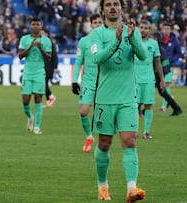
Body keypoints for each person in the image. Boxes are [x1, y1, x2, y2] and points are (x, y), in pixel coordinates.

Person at [89, 0, 146, 201]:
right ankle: (102, 186)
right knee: (104, 143)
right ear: (103, 9)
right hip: (105, 99)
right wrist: (117, 39)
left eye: (116, 4)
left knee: (129, 141)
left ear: (122, 8)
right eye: (108, 4)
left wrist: (133, 39)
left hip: (128, 98)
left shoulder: (133, 31)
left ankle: (132, 188)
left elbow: (143, 56)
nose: (112, 7)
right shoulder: (97, 34)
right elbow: (98, 58)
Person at [72, 13, 103, 152]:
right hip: (88, 81)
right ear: (91, 25)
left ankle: (102, 142)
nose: (97, 25)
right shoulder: (84, 41)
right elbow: (78, 61)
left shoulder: (107, 40)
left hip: (104, 81)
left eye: (100, 22)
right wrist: (74, 81)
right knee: (84, 111)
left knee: (101, 114)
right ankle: (89, 136)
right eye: (95, 22)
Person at [18, 18, 51, 135]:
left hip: (39, 73)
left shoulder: (46, 41)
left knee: (38, 98)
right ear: (30, 26)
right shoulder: (24, 39)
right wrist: (31, 46)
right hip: (27, 73)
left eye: (38, 24)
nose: (35, 26)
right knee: (25, 101)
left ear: (41, 26)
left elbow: (48, 58)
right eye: (33, 24)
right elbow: (20, 56)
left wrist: (41, 48)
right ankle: (30, 117)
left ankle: (37, 126)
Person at [135, 20, 166, 139]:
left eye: (146, 28)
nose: (143, 30)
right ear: (138, 29)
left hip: (149, 79)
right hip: (135, 79)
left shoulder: (153, 43)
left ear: (149, 30)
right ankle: (134, 131)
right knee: (135, 106)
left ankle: (146, 132)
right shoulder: (134, 42)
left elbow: (158, 62)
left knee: (148, 105)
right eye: (141, 27)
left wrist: (162, 79)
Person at [151, 31, 183, 116]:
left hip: (158, 74)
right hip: (159, 73)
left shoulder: (158, 48)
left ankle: (141, 110)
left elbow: (159, 63)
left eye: (152, 38)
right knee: (161, 92)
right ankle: (176, 108)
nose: (150, 39)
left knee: (148, 90)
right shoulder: (160, 47)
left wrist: (161, 75)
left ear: (156, 39)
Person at [160, 21, 182, 116]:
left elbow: (178, 52)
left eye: (168, 29)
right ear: (162, 29)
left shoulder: (174, 40)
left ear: (170, 30)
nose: (166, 30)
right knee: (160, 84)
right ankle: (169, 100)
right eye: (165, 28)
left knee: (167, 84)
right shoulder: (159, 39)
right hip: (159, 65)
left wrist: (172, 60)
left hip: (168, 66)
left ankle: (165, 105)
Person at [40, 28, 58, 108]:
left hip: (48, 67)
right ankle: (49, 99)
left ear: (47, 34)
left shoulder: (50, 43)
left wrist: (55, 67)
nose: (41, 34)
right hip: (43, 66)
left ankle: (50, 96)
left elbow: (54, 56)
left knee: (43, 82)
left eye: (43, 33)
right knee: (43, 83)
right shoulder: (41, 42)